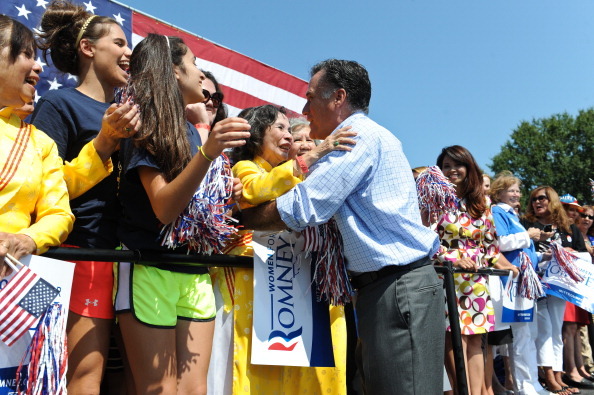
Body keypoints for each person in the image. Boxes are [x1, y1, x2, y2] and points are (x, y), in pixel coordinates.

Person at [241, 59, 445, 394]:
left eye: (310, 98)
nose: (304, 109)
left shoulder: (354, 137)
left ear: (338, 97)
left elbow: (304, 206)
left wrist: (243, 217)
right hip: (388, 288)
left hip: (396, 288)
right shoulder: (367, 135)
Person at [115, 33, 250, 394]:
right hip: (149, 267)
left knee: (194, 390)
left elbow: (199, 212)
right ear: (174, 71)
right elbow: (163, 208)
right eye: (193, 64)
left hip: (194, 271)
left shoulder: (192, 130)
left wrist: (226, 194)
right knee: (159, 389)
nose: (200, 74)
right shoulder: (142, 122)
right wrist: (208, 153)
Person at [31, 2, 140, 392]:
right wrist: (105, 143)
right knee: (79, 376)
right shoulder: (58, 104)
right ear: (88, 48)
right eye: (120, 42)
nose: (130, 53)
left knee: (125, 381)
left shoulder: (132, 112)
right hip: (78, 256)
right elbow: (44, 187)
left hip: (129, 263)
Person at [213, 104, 355, 394]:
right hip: (246, 280)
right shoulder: (244, 168)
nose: (290, 138)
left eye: (291, 131)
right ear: (256, 134)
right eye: (281, 128)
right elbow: (256, 189)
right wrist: (313, 155)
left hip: (282, 280)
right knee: (248, 368)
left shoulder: (286, 173)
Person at [434, 145, 516, 395]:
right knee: (454, 338)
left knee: (475, 339)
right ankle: (462, 391)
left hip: (476, 279)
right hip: (447, 276)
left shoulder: (482, 202)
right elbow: (427, 241)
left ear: (468, 167)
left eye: (456, 165)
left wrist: (506, 265)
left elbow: (490, 245)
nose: (451, 170)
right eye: (446, 166)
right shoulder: (434, 200)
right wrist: (453, 258)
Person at [0, 15, 73, 274]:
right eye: (25, 54)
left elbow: (59, 214)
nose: (38, 66)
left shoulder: (39, 142)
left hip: (8, 280)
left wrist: (28, 240)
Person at [522, 186, 587, 394]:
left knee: (556, 331)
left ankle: (558, 376)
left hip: (560, 287)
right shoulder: (527, 225)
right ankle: (548, 377)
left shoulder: (568, 227)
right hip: (536, 285)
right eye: (533, 199)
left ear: (553, 200)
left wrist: (570, 253)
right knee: (545, 330)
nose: (537, 202)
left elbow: (585, 256)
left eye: (542, 198)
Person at [490, 171, 542, 395]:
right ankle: (525, 386)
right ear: (499, 192)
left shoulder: (512, 214)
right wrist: (528, 235)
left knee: (528, 334)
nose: (516, 194)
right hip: (512, 282)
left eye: (518, 190)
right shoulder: (497, 211)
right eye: (511, 190)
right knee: (521, 336)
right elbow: (500, 242)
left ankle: (533, 384)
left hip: (524, 280)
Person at [186, 69, 226, 142]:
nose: (210, 103)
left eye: (215, 98)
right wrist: (201, 125)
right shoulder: (166, 136)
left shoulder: (219, 151)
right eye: (204, 95)